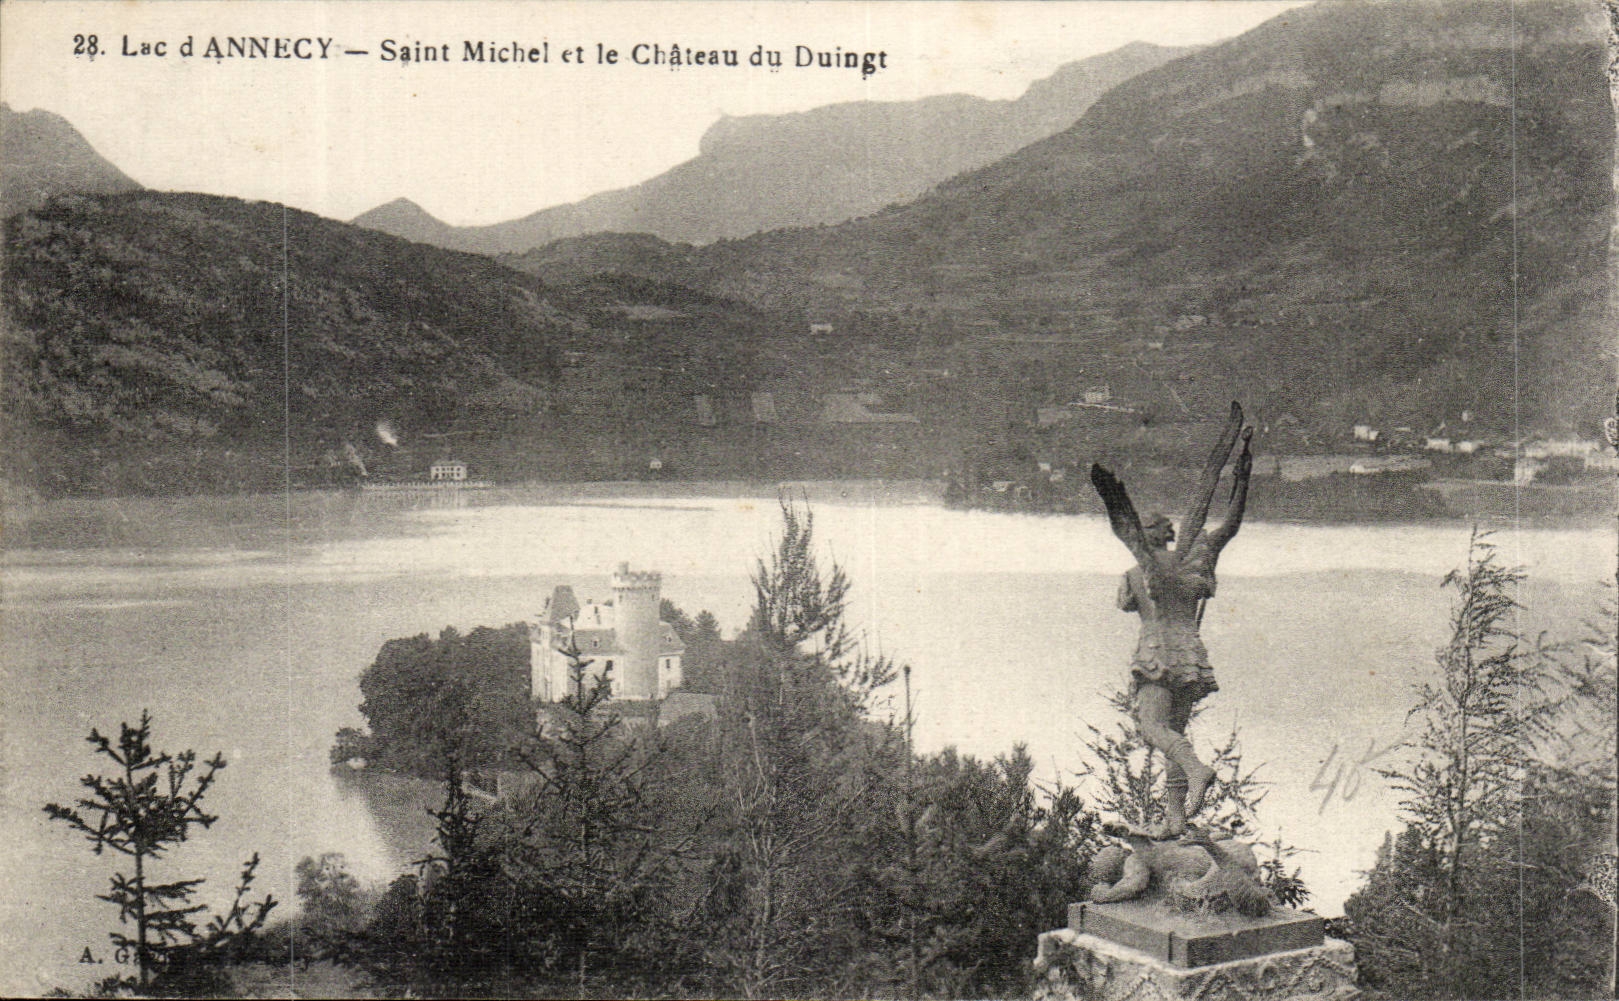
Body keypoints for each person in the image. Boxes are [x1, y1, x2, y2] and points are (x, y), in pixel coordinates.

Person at [1091, 402, 1253, 839]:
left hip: (1159, 653)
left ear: (1145, 535)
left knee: (1153, 728)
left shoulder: (1139, 571)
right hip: (1192, 655)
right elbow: (1229, 527)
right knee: (1175, 733)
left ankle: (1198, 770)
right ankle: (1177, 818)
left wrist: (1112, 500)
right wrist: (1242, 478)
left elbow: (1121, 529)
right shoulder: (1196, 559)